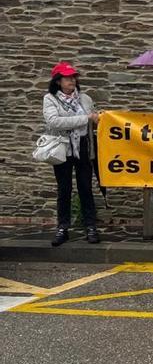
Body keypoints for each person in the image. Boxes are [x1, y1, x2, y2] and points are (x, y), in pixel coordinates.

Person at [42, 62, 101, 246]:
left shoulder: (85, 99)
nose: (72, 80)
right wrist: (85, 118)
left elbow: (92, 121)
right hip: (63, 147)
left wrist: (98, 119)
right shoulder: (50, 99)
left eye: (74, 77)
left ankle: (90, 226)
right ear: (58, 81)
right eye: (67, 78)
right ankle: (63, 227)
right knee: (64, 189)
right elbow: (54, 122)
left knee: (86, 188)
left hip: (83, 146)